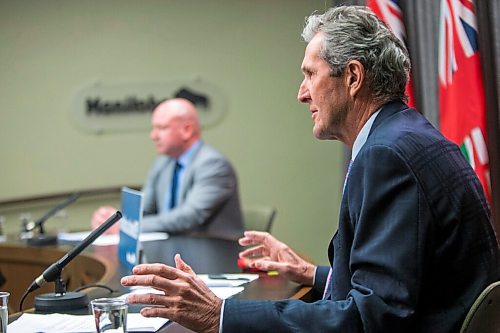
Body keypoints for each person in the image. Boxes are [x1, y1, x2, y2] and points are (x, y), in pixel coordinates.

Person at [120, 6, 500, 333]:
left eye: (310, 74)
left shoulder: (387, 156)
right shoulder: (406, 134)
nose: (302, 93)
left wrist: (222, 314)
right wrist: (313, 274)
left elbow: (372, 321)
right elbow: (400, 286)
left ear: (352, 77)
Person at [91, 98, 244, 240]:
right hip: (176, 249)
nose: (153, 135)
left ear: (187, 130)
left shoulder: (213, 164)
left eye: (161, 128)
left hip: (214, 254)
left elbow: (189, 217)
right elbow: (146, 208)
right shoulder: (164, 162)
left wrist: (128, 227)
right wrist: (114, 220)